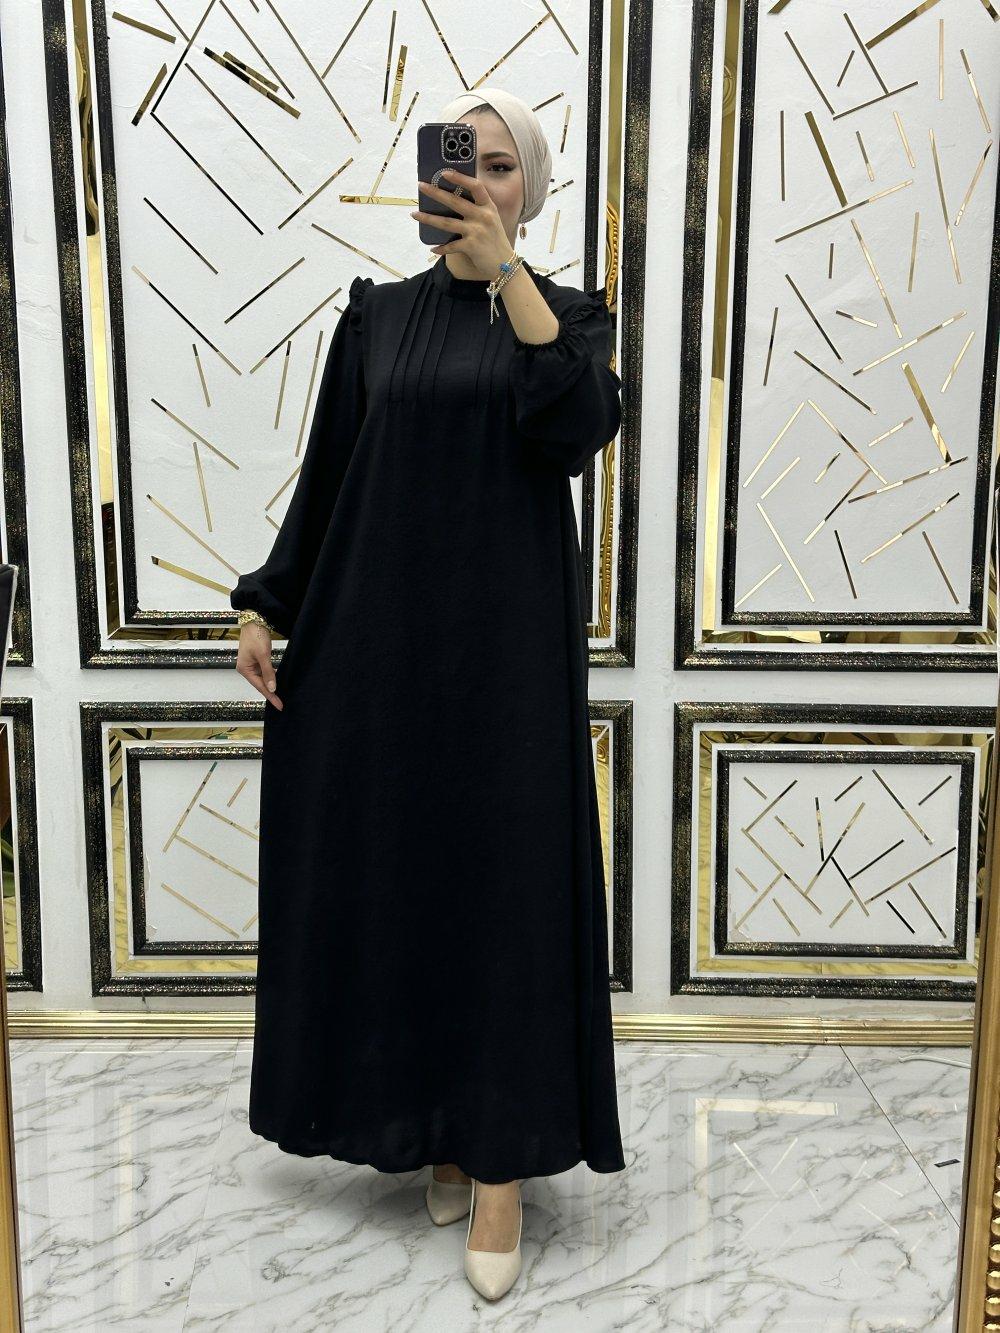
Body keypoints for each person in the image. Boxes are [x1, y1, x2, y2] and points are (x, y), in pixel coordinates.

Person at [231, 87, 625, 1302]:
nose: (479, 182)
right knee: (405, 886)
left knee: (503, 895)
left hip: (506, 665)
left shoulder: (566, 316)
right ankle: (439, 1129)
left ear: (531, 189)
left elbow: (575, 428)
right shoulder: (378, 316)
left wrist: (508, 276)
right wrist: (265, 604)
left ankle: (499, 1166)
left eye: (502, 166)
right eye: (464, 162)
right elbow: (331, 473)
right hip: (380, 655)